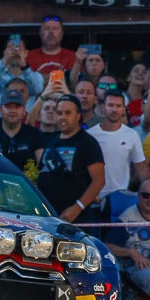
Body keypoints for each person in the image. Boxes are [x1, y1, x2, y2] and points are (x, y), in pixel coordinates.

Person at [34, 95, 104, 223]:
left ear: (78, 115)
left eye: (68, 113)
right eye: (59, 113)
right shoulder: (50, 140)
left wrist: (77, 208)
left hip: (75, 219)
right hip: (48, 216)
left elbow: (99, 181)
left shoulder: (88, 143)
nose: (62, 117)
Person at [0, 88, 43, 173]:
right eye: (8, 106)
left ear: (24, 111)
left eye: (17, 106)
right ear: (0, 110)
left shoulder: (35, 135)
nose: (13, 111)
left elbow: (41, 166)